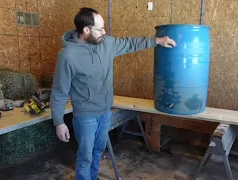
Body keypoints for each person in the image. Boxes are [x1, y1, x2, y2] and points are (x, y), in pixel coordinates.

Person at [50, 7, 176, 180]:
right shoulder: (68, 56)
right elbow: (59, 91)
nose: (105, 32)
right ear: (86, 30)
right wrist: (59, 122)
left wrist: (157, 41)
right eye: (100, 29)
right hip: (85, 115)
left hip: (105, 112)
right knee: (85, 155)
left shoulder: (106, 43)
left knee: (98, 150)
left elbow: (130, 43)